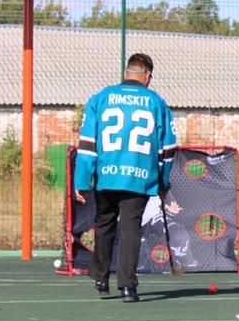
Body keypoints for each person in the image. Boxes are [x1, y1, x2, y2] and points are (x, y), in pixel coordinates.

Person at [74, 53, 179, 302]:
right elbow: (168, 149)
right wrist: (163, 182)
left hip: (106, 175)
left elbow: (87, 144)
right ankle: (128, 287)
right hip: (139, 176)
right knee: (131, 228)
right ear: (149, 76)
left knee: (104, 223)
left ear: (126, 72)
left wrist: (81, 181)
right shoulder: (157, 102)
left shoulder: (100, 98)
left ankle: (101, 278)